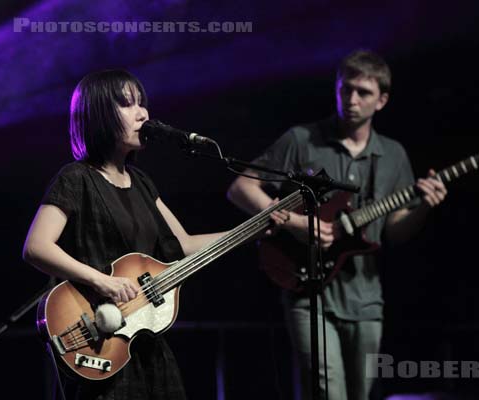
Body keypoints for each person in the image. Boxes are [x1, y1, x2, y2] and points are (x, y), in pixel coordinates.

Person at [22, 69, 288, 400]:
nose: (143, 113)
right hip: (101, 336)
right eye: (126, 104)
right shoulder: (76, 178)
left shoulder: (143, 183)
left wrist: (255, 228)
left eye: (141, 103)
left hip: (144, 339)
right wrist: (102, 281)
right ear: (99, 114)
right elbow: (36, 247)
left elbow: (185, 245)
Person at [227, 50, 448, 400]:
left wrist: (423, 209)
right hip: (307, 289)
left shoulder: (394, 155)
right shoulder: (302, 140)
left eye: (363, 92)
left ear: (383, 100)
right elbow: (241, 187)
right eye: (345, 90)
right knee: (327, 393)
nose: (352, 100)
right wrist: (295, 222)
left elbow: (394, 232)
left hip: (366, 299)